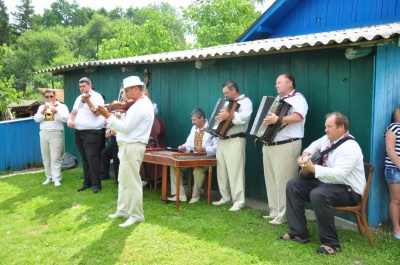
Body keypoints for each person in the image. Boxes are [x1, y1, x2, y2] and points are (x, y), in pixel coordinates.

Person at [278, 112, 365, 255]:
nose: (326, 130)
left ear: (341, 127)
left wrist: (313, 169)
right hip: (326, 184)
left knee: (319, 194)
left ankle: (331, 244)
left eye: (329, 126)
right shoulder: (327, 139)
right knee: (294, 185)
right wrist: (304, 156)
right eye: (325, 126)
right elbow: (312, 146)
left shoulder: (350, 147)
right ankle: (298, 232)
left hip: (348, 190)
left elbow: (339, 175)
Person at [98, 76, 154, 227]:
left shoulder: (141, 105)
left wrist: (107, 116)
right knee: (123, 181)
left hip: (132, 146)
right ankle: (123, 210)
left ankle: (136, 215)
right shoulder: (136, 104)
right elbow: (126, 128)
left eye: (127, 91)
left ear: (137, 89)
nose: (125, 94)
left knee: (132, 182)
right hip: (128, 145)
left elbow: (126, 128)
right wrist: (115, 128)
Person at [262, 73, 308, 225]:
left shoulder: (298, 99)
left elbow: (298, 117)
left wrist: (278, 119)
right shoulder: (277, 101)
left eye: (279, 82)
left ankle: (283, 214)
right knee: (271, 180)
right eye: (276, 83)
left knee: (284, 181)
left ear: (289, 83)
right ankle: (274, 211)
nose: (276, 85)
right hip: (270, 144)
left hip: (287, 144)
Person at [212, 81, 253, 211]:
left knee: (235, 171)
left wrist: (229, 115)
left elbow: (244, 118)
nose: (225, 95)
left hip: (236, 139)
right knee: (222, 170)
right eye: (224, 93)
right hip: (222, 139)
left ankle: (239, 201)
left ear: (234, 90)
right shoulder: (225, 102)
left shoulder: (246, 102)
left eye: (227, 92)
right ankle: (225, 197)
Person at [167, 108, 218, 203]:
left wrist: (204, 149)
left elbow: (218, 147)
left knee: (198, 170)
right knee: (174, 165)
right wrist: (183, 147)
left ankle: (196, 196)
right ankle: (180, 195)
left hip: (208, 158)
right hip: (194, 157)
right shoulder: (194, 128)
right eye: (192, 119)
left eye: (194, 120)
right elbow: (189, 143)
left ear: (202, 118)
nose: (192, 122)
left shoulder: (212, 127)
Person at [67, 77, 105, 193]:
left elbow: (97, 113)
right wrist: (69, 120)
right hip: (79, 132)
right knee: (85, 158)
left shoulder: (97, 97)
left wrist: (87, 100)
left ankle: (96, 185)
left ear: (90, 85)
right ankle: (86, 183)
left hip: (92, 132)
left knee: (92, 158)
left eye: (84, 86)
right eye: (80, 87)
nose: (82, 89)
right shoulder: (78, 98)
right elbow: (73, 112)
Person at [33, 89, 69, 186]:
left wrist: (56, 111)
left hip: (55, 132)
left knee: (55, 157)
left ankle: (56, 178)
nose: (49, 99)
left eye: (51, 96)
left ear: (55, 96)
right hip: (44, 132)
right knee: (46, 157)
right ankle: (49, 177)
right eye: (47, 97)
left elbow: (66, 119)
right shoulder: (41, 107)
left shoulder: (62, 106)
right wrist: (43, 111)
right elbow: (36, 119)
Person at [384, 117, 400, 240]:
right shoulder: (394, 127)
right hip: (394, 169)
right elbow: (390, 149)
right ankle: (396, 229)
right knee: (397, 200)